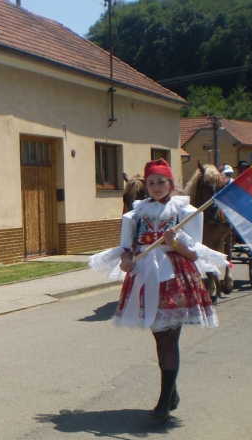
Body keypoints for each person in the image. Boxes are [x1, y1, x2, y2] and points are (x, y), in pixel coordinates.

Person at [88, 159, 227, 422]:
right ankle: (171, 392)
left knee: (169, 339)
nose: (156, 187)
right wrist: (126, 260)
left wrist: (176, 244)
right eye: (151, 182)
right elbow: (127, 250)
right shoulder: (134, 216)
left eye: (161, 181)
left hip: (175, 279)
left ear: (171, 184)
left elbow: (194, 254)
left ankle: (163, 402)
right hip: (146, 278)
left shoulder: (186, 213)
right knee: (158, 338)